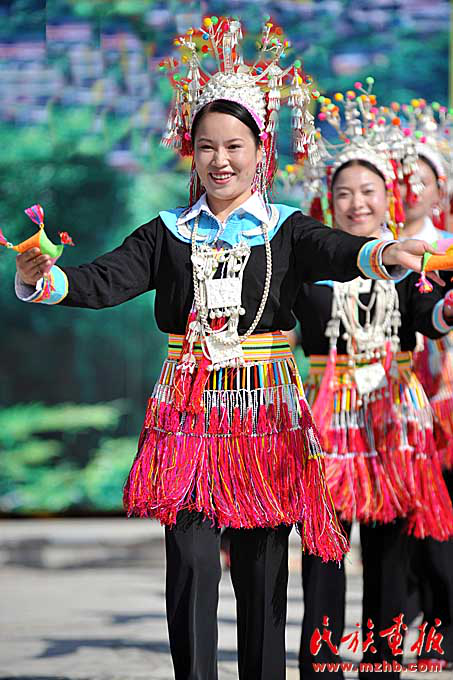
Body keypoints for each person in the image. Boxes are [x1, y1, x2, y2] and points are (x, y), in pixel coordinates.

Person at [14, 23, 439, 680]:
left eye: (234, 146)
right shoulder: (166, 233)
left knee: (262, 574)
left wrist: (385, 252)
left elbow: (337, 250)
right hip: (186, 420)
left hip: (264, 419)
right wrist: (45, 277)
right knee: (189, 568)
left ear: (259, 151)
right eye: (207, 146)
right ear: (192, 154)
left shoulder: (285, 228)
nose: (220, 160)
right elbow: (103, 280)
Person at [292, 86, 453, 680]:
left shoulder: (410, 266)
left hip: (392, 422)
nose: (357, 203)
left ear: (389, 197)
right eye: (345, 193)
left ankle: (382, 663)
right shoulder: (305, 267)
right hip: (328, 425)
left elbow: (429, 317)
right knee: (323, 551)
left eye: (368, 191)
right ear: (328, 201)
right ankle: (321, 664)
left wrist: (448, 309)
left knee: (389, 555)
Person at [398, 102, 453, 669]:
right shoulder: (377, 252)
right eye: (402, 178)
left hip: (443, 402)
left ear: (440, 189)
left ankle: (442, 629)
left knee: (439, 523)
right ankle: (414, 628)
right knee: (405, 525)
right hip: (388, 404)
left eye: (421, 179)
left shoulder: (448, 248)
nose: (410, 189)